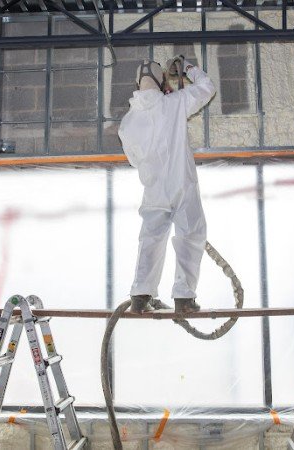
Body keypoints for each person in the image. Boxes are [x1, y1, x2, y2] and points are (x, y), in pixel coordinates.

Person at [118, 56, 216, 314]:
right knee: (191, 235)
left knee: (151, 239)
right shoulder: (175, 103)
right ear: (162, 82)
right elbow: (207, 88)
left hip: (153, 189)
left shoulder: (127, 123)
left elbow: (134, 160)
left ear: (137, 84)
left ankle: (141, 296)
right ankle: (184, 298)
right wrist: (188, 69)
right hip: (181, 184)